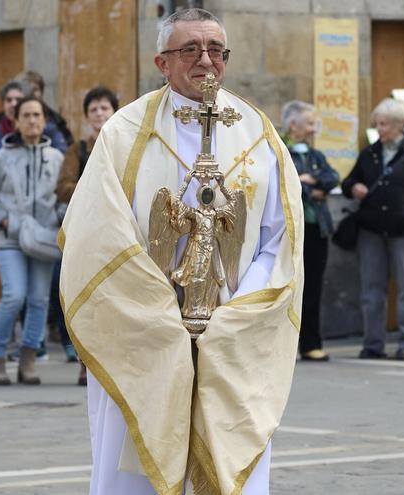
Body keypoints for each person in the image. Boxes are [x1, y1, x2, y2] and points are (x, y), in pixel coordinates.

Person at [58, 9, 303, 495]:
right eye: (190, 49)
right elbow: (99, 235)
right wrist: (160, 309)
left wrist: (237, 310)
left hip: (233, 326)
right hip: (146, 324)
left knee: (230, 450)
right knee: (134, 464)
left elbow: (281, 238)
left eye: (216, 50)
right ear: (162, 63)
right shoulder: (124, 133)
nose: (205, 61)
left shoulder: (257, 131)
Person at [0, 96, 63, 386]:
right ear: (16, 121)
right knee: (14, 295)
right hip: (10, 238)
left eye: (37, 115)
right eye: (26, 115)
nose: (32, 120)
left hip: (43, 239)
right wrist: (3, 220)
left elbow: (63, 198)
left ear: (45, 120)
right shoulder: (1, 157)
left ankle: (28, 360)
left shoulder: (56, 158)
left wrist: (60, 217)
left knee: (39, 300)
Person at [341, 98, 404, 361]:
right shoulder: (369, 154)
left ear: (399, 125)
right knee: (372, 290)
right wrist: (353, 187)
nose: (379, 129)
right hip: (372, 232)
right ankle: (373, 344)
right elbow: (348, 181)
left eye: (384, 124)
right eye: (377, 124)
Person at [55, 85, 119, 385]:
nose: (99, 114)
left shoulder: (124, 145)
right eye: (93, 109)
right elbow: (63, 186)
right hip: (87, 231)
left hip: (118, 230)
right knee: (86, 296)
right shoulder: (77, 150)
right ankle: (85, 359)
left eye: (104, 108)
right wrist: (93, 189)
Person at [281, 100, 338, 362]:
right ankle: (284, 346)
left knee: (313, 287)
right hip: (290, 231)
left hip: (317, 230)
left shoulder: (316, 156)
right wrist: (308, 188)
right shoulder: (281, 151)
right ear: (294, 125)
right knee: (287, 289)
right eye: (310, 124)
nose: (314, 129)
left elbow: (332, 177)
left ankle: (311, 343)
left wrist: (310, 181)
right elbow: (287, 184)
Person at [0, 80, 68, 167]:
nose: (13, 104)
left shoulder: (46, 129)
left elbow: (62, 162)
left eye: (18, 99)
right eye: (9, 100)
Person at [17, 70, 74, 146]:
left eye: (35, 89)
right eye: (27, 90)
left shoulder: (56, 120)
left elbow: (65, 147)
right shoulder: (4, 122)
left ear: (42, 92)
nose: (31, 93)